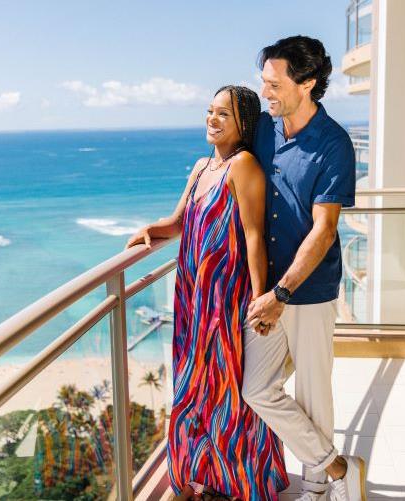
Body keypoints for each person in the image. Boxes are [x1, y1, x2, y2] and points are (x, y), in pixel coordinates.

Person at [127, 85, 289, 500]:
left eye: (224, 115)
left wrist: (259, 300)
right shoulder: (202, 167)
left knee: (227, 391)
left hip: (226, 301)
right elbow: (179, 220)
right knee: (195, 388)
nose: (212, 120)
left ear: (243, 125)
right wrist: (151, 230)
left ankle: (241, 484)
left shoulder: (244, 165)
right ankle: (204, 479)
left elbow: (254, 237)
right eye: (210, 112)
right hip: (192, 300)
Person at [243, 36, 366, 501]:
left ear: (308, 83)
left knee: (315, 394)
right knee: (257, 389)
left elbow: (325, 229)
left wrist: (283, 294)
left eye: (275, 84)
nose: (266, 92)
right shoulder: (263, 129)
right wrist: (173, 222)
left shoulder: (333, 144)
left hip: (307, 292)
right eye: (263, 82)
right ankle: (337, 467)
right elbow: (221, 169)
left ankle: (318, 489)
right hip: (265, 288)